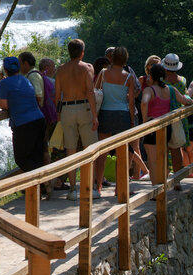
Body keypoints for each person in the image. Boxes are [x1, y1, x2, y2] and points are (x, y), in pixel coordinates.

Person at [95, 47, 149, 192]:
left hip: (105, 113)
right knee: (123, 153)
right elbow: (131, 102)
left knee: (102, 153)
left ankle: (98, 187)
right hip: (122, 115)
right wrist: (132, 120)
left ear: (112, 58)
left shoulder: (103, 73)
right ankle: (120, 187)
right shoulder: (128, 77)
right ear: (125, 59)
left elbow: (96, 92)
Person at [54, 39, 99, 201]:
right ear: (82, 52)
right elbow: (90, 92)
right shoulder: (87, 68)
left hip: (66, 108)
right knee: (90, 148)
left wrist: (58, 114)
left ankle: (73, 190)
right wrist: (95, 115)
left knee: (70, 150)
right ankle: (91, 187)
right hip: (84, 107)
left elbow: (57, 95)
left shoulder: (61, 70)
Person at [141, 64, 193, 184]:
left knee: (153, 160)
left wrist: (145, 120)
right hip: (167, 127)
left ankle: (156, 189)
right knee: (164, 158)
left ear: (152, 76)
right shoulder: (171, 89)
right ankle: (164, 186)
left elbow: (144, 102)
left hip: (152, 126)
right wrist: (190, 101)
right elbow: (186, 101)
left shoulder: (150, 90)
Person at [0, 56, 46, 175]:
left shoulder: (4, 83)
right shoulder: (24, 79)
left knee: (22, 159)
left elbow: (2, 104)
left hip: (23, 123)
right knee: (37, 157)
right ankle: (41, 190)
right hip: (39, 120)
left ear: (5, 69)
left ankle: (44, 182)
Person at [162, 53, 190, 170]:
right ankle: (177, 179)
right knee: (177, 148)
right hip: (179, 117)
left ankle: (164, 176)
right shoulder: (182, 80)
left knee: (163, 149)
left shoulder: (161, 82)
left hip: (163, 117)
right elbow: (186, 97)